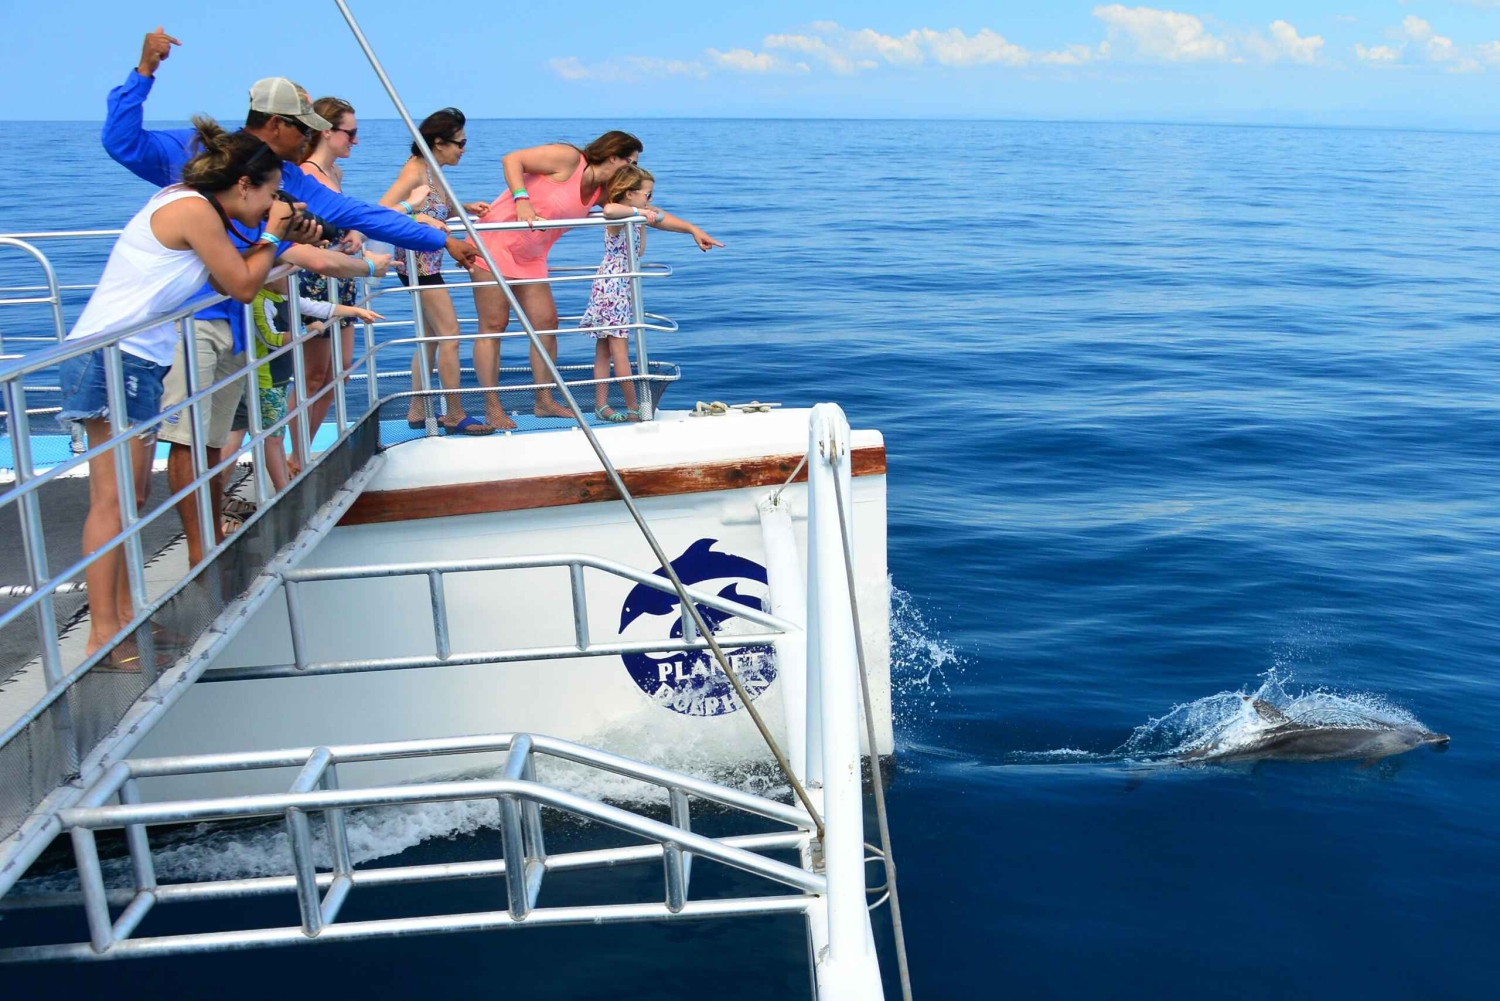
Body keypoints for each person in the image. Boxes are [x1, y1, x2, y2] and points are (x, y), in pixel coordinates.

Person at [102, 28, 471, 567]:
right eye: (303, 129)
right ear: (274, 124)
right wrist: (144, 72)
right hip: (181, 321)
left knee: (214, 435)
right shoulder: (204, 154)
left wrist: (442, 239)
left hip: (239, 314)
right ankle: (195, 548)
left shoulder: (291, 176)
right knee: (178, 445)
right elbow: (122, 142)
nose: (309, 139)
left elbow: (360, 216)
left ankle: (206, 539)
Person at [57, 119, 293, 664]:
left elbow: (226, 277)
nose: (271, 204)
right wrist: (274, 234)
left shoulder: (198, 210)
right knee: (115, 501)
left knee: (130, 499)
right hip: (112, 357)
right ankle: (102, 636)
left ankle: (121, 621)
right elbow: (239, 284)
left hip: (132, 358)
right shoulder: (191, 209)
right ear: (243, 186)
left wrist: (274, 241)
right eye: (270, 194)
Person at [467, 131, 643, 425]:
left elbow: (626, 207)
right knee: (493, 325)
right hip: (493, 243)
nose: (633, 169)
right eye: (630, 161)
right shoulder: (569, 158)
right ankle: (493, 409)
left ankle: (544, 401)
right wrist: (521, 199)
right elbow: (512, 159)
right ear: (613, 156)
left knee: (546, 323)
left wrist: (689, 229)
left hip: (532, 257)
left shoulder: (600, 191)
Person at [381, 108, 497, 434]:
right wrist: (421, 219)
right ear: (438, 142)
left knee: (432, 338)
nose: (463, 149)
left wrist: (466, 207)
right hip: (418, 265)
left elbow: (430, 208)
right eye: (459, 143)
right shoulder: (415, 171)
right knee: (450, 334)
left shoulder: (433, 170)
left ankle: (417, 409)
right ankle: (455, 413)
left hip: (427, 262)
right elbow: (382, 212)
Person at [286, 97, 386, 469]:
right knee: (313, 374)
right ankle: (295, 456)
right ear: (327, 132)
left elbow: (344, 215)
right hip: (313, 278)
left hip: (339, 278)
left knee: (339, 371)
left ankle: (303, 450)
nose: (355, 141)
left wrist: (356, 232)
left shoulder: (335, 176)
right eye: (351, 133)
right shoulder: (303, 175)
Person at [584, 166, 722, 423]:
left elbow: (664, 218)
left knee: (605, 348)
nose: (651, 200)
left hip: (619, 284)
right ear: (629, 194)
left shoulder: (638, 216)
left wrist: (693, 230)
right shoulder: (621, 216)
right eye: (647, 194)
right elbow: (609, 210)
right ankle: (634, 407)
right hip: (613, 286)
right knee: (617, 350)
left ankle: (601, 405)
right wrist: (640, 212)